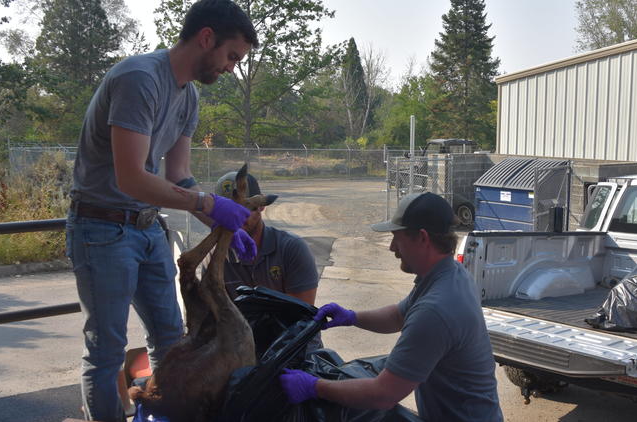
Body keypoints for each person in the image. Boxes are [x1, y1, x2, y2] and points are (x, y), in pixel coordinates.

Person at [65, 1, 259, 421]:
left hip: (149, 227)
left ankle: (159, 417)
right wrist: (207, 203)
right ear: (206, 38)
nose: (231, 69)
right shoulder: (139, 79)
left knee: (173, 338)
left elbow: (180, 176)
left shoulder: (188, 97)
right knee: (106, 351)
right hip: (101, 227)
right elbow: (130, 178)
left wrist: (222, 222)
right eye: (231, 57)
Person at [279, 192, 503, 421]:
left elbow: (383, 395)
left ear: (422, 238)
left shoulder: (436, 309)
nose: (392, 248)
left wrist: (315, 387)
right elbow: (398, 316)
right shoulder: (449, 275)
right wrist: (351, 317)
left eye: (397, 238)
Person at [214, 171, 323, 351]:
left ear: (262, 206)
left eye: (244, 208)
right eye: (228, 210)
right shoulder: (215, 258)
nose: (235, 217)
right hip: (243, 346)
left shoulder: (291, 248)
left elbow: (300, 314)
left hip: (294, 345)